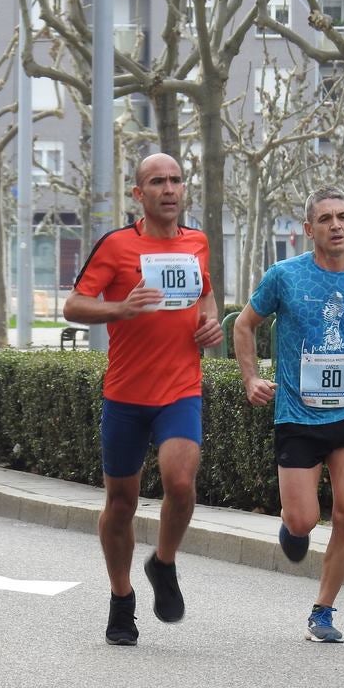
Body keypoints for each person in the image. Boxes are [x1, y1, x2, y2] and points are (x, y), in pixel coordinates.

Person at [232, 186, 344, 644]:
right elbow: (244, 323)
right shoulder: (285, 276)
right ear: (308, 229)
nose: (335, 225)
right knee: (303, 521)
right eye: (325, 218)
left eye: (343, 216)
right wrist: (251, 379)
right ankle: (292, 527)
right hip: (297, 414)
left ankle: (323, 611)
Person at [62, 152, 223, 647]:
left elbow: (208, 297)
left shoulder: (197, 243)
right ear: (140, 194)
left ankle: (165, 561)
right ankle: (121, 598)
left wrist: (210, 324)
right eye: (157, 182)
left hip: (180, 389)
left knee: (180, 482)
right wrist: (119, 308)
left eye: (176, 180)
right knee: (121, 502)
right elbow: (73, 305)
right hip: (126, 394)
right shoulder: (116, 246)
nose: (169, 189)